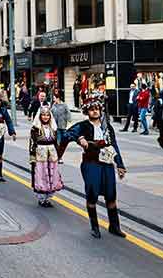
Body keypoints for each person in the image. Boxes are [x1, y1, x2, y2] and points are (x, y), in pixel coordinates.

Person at [61, 93, 127, 239]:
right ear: (86, 111)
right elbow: (66, 135)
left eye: (97, 108)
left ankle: (114, 226)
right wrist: (79, 138)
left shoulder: (107, 127)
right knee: (92, 194)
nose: (95, 111)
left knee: (111, 195)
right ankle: (95, 226)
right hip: (91, 164)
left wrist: (120, 165)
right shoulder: (82, 126)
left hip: (107, 164)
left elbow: (113, 146)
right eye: (92, 109)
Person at [30, 106, 63, 207]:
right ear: (40, 116)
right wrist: (32, 157)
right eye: (43, 115)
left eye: (47, 115)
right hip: (40, 154)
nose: (45, 117)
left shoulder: (53, 127)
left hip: (51, 154)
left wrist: (59, 155)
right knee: (41, 175)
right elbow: (32, 143)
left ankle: (48, 198)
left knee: (52, 175)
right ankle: (41, 198)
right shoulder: (35, 128)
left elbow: (56, 142)